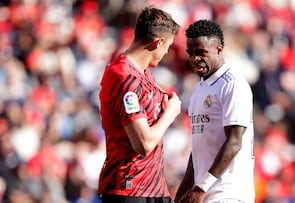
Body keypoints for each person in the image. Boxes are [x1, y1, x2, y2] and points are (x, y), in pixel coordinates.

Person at [97, 6, 181, 203]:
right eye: (167, 47)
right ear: (158, 42)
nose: (166, 53)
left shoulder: (144, 74)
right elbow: (143, 143)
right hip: (129, 188)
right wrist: (170, 114)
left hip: (154, 189)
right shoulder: (123, 77)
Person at [175, 19, 255, 203]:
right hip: (205, 195)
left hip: (229, 194)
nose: (195, 59)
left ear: (219, 49)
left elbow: (234, 142)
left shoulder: (233, 85)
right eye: (191, 53)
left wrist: (201, 187)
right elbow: (197, 151)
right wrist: (181, 195)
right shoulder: (199, 89)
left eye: (201, 52)